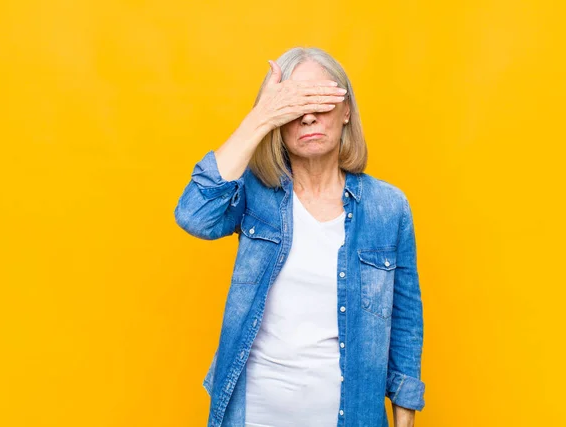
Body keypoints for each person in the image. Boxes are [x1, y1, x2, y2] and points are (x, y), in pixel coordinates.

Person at [174, 46, 425, 427]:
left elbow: (406, 325)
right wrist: (260, 116)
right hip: (252, 415)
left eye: (320, 100)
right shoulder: (255, 195)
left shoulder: (388, 207)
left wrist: (404, 421)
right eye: (293, 105)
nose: (307, 116)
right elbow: (194, 214)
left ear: (346, 112)